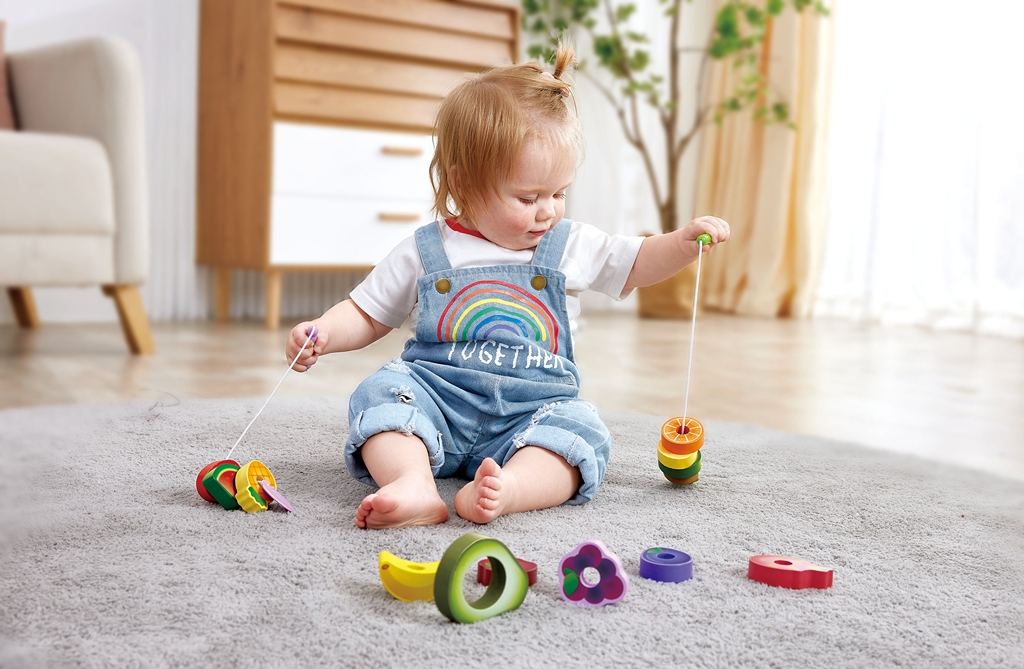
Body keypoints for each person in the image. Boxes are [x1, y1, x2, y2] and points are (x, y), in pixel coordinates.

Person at [285, 44, 730, 530]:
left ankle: (510, 489)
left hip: (532, 412)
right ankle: (412, 483)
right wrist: (323, 332)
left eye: (559, 193)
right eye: (528, 197)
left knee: (580, 430)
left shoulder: (569, 244)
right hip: (435, 402)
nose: (548, 210)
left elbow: (636, 261)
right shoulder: (426, 250)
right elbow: (367, 312)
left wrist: (681, 245)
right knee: (379, 395)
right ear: (464, 184)